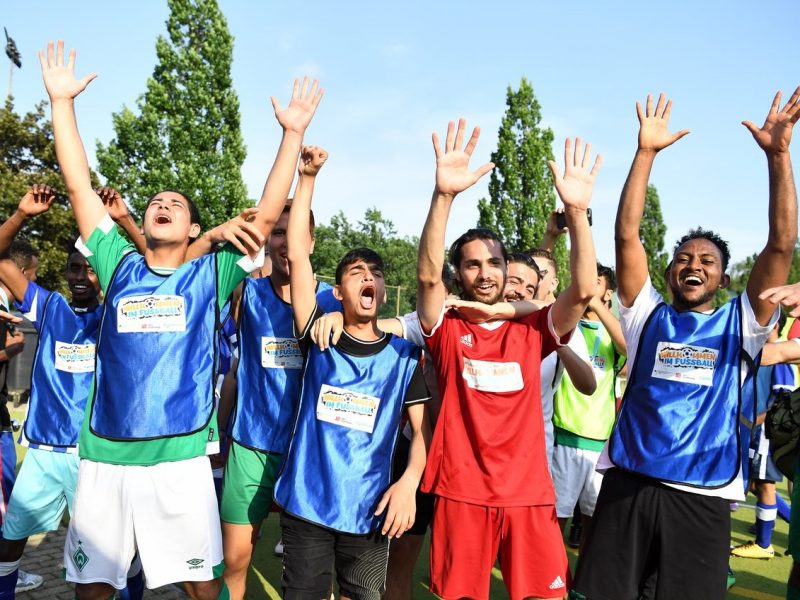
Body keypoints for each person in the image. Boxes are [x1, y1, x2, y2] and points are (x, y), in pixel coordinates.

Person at [40, 39, 322, 600]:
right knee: (93, 588)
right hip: (105, 455)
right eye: (155, 202)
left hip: (181, 458)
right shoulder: (116, 263)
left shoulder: (211, 276)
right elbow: (77, 185)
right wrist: (62, 105)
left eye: (176, 204)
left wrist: (291, 134)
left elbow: (266, 215)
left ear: (194, 229)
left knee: (200, 586)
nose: (162, 205)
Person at [572, 89, 799, 600]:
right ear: (671, 269)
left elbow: (781, 244)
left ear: (721, 279)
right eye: (684, 256)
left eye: (707, 261)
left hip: (703, 490)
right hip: (630, 479)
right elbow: (626, 235)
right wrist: (646, 153)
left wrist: (779, 157)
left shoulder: (740, 322)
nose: (693, 264)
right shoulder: (645, 314)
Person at [416, 118, 600, 599]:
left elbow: (582, 290)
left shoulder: (533, 327)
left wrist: (577, 213)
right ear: (460, 272)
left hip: (528, 495)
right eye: (472, 263)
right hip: (462, 492)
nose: (484, 272)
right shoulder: (448, 325)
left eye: (493, 262)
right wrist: (443, 197)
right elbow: (427, 277)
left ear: (506, 268)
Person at [273, 140, 430, 600]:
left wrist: (409, 484)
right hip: (306, 507)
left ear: (382, 290)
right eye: (356, 271)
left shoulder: (403, 359)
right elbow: (298, 256)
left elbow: (422, 434)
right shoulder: (319, 337)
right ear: (337, 291)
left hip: (369, 509)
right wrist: (307, 180)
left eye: (376, 272)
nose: (368, 277)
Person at [0, 184, 149, 600]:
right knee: (11, 537)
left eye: (89, 269)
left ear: (102, 273)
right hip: (45, 453)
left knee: (121, 549)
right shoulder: (50, 309)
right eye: (72, 268)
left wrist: (122, 221)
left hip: (96, 456)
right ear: (63, 272)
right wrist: (21, 215)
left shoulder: (118, 315)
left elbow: (155, 270)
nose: (81, 276)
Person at [219, 145, 341, 600]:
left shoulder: (333, 301)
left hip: (309, 450)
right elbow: (231, 369)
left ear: (310, 243)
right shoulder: (245, 295)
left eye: (295, 235)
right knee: (234, 561)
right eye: (278, 234)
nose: (285, 243)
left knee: (311, 576)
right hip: (251, 445)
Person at [550, 262, 626, 551]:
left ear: (609, 293)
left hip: (601, 444)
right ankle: (551, 579)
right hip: (565, 436)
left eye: (596, 283)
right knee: (557, 517)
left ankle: (586, 583)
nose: (588, 286)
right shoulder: (568, 324)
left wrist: (595, 302)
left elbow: (629, 350)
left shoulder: (613, 331)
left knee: (595, 520)